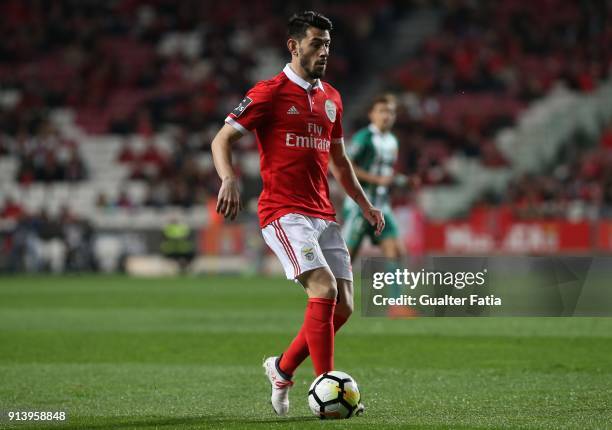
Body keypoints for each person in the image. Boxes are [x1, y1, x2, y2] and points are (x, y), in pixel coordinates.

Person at [211, 11, 384, 416]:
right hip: (283, 212)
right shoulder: (269, 93)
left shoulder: (332, 98)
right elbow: (222, 139)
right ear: (294, 45)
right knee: (322, 290)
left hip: (323, 213)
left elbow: (339, 160)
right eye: (316, 43)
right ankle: (330, 390)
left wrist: (364, 203)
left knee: (343, 307)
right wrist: (228, 178)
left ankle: (282, 368)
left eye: (327, 43)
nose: (324, 50)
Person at [342, 94, 419, 317]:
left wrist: (405, 180)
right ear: (371, 115)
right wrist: (376, 181)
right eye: (382, 112)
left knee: (396, 250)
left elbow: (386, 174)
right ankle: (328, 299)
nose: (387, 116)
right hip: (361, 206)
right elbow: (345, 166)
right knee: (347, 256)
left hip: (383, 207)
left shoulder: (392, 141)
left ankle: (396, 305)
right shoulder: (364, 138)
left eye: (391, 112)